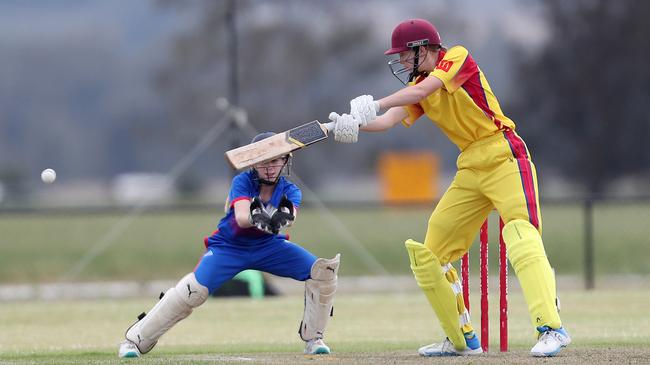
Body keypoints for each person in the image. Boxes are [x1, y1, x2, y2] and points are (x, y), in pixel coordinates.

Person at [328, 18, 570, 357]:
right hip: (470, 165)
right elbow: (388, 121)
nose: (399, 61)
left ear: (422, 49)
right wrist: (353, 124)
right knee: (431, 254)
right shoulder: (417, 82)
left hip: (504, 153)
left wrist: (376, 103)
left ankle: (552, 329)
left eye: (403, 54)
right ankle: (462, 339)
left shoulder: (456, 57)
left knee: (520, 235)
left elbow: (424, 91)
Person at [118, 132, 340, 358]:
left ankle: (314, 339)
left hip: (268, 247)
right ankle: (135, 340)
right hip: (229, 247)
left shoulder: (291, 190)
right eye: (264, 161)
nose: (270, 167)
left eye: (276, 160)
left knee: (322, 273)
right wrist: (261, 216)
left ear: (285, 160)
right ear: (253, 162)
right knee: (192, 292)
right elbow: (243, 218)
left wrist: (285, 216)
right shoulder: (242, 182)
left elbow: (290, 216)